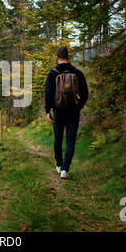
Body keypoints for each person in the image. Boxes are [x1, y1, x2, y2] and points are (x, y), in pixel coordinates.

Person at [44, 46, 88, 179]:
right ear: (68, 57)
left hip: (58, 111)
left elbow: (48, 93)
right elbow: (85, 94)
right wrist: (79, 106)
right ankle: (65, 169)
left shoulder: (52, 73)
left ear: (57, 57)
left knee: (58, 138)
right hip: (73, 112)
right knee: (70, 140)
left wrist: (48, 110)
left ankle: (58, 164)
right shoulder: (78, 73)